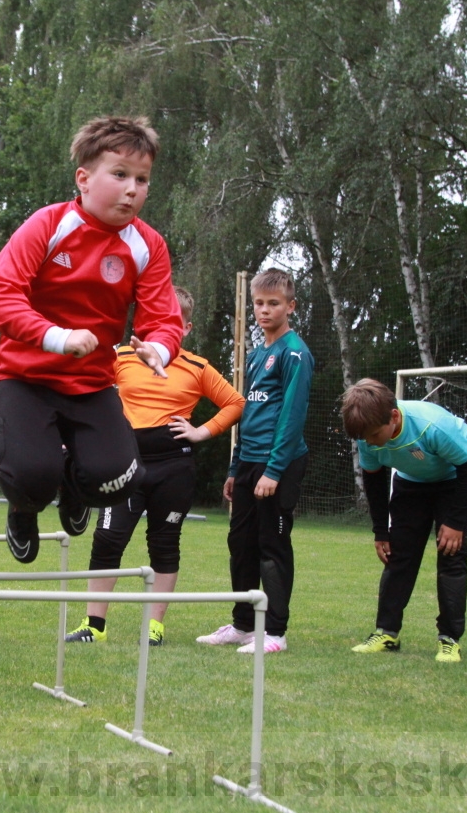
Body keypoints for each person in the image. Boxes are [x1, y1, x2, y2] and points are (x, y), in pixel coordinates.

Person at [0, 115, 184, 563]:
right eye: (120, 174)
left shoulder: (148, 245)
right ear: (84, 179)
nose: (132, 189)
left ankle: (76, 489)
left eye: (142, 180)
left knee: (120, 479)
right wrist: (56, 336)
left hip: (92, 385)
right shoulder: (48, 224)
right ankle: (23, 509)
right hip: (26, 379)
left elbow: (164, 318)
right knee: (33, 476)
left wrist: (158, 347)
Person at [65, 287, 244, 646]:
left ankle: (154, 627)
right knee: (108, 538)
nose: (161, 326)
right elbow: (83, 387)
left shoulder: (197, 367)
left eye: (172, 321)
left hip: (173, 469)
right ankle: (94, 626)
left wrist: (201, 431)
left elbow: (235, 403)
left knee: (164, 543)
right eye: (154, 318)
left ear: (186, 328)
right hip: (125, 464)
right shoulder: (121, 356)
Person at [197, 268, 312, 654]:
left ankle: (275, 633)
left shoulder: (295, 353)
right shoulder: (256, 353)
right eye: (259, 303)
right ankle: (244, 625)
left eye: (273, 304)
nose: (264, 310)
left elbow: (292, 416)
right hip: (248, 462)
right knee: (240, 544)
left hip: (277, 464)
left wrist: (273, 470)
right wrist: (235, 467)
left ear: (290, 306)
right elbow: (248, 413)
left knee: (272, 545)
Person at [340, 379, 467, 663]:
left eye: (374, 435)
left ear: (394, 417)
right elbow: (374, 481)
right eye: (364, 438)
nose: (370, 442)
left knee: (451, 554)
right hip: (412, 481)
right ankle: (387, 633)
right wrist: (381, 531)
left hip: (458, 477)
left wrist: (456, 521)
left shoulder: (432, 426)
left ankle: (450, 639)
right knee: (399, 555)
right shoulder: (366, 437)